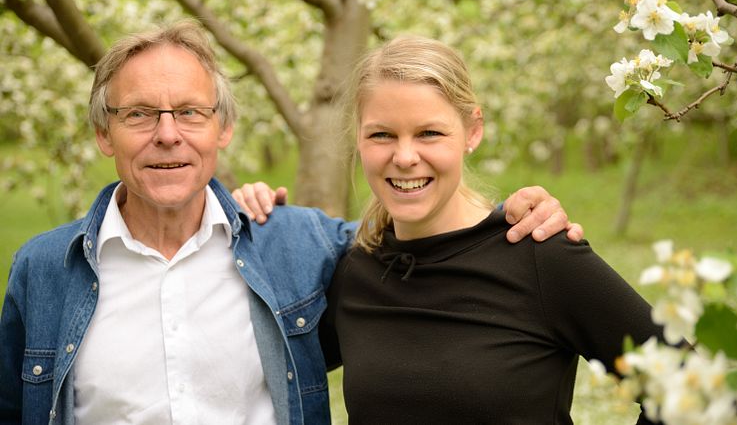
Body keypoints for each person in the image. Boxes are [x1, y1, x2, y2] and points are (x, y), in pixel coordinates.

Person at [0, 21, 577, 425]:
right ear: (104, 133)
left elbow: (428, 241)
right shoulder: (45, 270)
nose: (168, 134)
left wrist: (508, 220)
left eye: (191, 113)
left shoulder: (292, 243)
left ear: (223, 129)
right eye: (140, 114)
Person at [313, 36, 663, 424]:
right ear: (359, 140)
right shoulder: (354, 269)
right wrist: (246, 208)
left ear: (472, 131)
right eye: (382, 135)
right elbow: (265, 363)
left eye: (429, 133)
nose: (405, 157)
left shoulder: (540, 255)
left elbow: (684, 385)